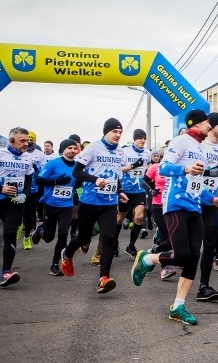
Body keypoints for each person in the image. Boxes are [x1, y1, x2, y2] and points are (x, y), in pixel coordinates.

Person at [131, 110, 218, 325]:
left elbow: (197, 183)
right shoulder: (181, 140)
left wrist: (212, 199)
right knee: (182, 255)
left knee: (193, 257)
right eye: (207, 123)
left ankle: (178, 306)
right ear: (197, 124)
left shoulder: (201, 148)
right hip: (175, 205)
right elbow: (164, 168)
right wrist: (185, 168)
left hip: (195, 207)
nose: (210, 127)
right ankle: (147, 259)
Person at [60, 118, 128, 293]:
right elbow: (76, 172)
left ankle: (104, 278)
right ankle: (67, 254)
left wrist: (120, 190)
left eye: (120, 132)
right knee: (84, 238)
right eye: (114, 131)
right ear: (106, 132)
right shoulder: (93, 148)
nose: (118, 135)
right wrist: (95, 179)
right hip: (89, 201)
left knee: (108, 238)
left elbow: (116, 175)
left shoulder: (120, 151)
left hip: (109, 203)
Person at [32, 138, 79, 276]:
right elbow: (38, 180)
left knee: (63, 233)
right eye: (69, 148)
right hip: (51, 204)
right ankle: (40, 230)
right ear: (63, 150)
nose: (72, 151)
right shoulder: (53, 163)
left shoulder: (78, 166)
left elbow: (78, 184)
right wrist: (56, 181)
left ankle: (55, 264)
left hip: (67, 205)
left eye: (74, 148)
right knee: (48, 237)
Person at [196, 112, 218, 298]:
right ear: (212, 125)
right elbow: (191, 172)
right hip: (193, 200)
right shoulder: (198, 145)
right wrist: (208, 172)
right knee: (188, 248)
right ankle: (154, 256)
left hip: (211, 202)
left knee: (209, 244)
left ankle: (204, 287)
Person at [0, 127, 35, 287]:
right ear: (11, 141)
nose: (26, 144)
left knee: (10, 234)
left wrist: (25, 195)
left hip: (14, 203)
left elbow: (28, 180)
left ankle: (6, 272)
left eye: (27, 140)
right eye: (22, 141)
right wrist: (1, 188)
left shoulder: (27, 157)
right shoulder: (1, 154)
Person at [142, 150, 176, 280]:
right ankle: (164, 268)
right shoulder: (155, 167)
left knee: (172, 236)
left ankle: (152, 253)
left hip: (173, 206)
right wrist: (151, 190)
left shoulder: (178, 169)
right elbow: (143, 182)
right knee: (167, 235)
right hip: (158, 205)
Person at [119, 129, 150, 257]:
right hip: (125, 190)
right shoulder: (125, 151)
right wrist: (133, 165)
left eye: (144, 138)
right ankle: (114, 243)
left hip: (139, 190)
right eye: (140, 138)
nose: (143, 141)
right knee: (120, 218)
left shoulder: (147, 153)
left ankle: (131, 245)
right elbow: (119, 169)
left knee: (139, 217)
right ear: (134, 139)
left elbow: (148, 169)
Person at [22, 130, 47, 251]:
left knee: (30, 215)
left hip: (32, 189)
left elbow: (44, 171)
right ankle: (17, 227)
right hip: (16, 188)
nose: (29, 141)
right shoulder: (19, 152)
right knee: (16, 214)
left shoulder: (40, 154)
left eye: (31, 139)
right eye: (27, 139)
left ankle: (27, 237)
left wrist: (37, 169)